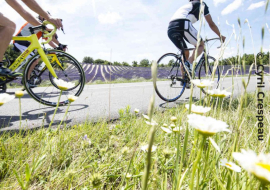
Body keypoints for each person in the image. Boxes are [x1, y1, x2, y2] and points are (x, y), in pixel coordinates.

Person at [168, 0, 226, 88]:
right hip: (183, 23)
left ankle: (185, 80)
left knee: (185, 53)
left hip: (171, 27)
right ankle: (189, 63)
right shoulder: (201, 4)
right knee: (201, 45)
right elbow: (211, 23)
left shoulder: (188, 6)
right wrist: (220, 35)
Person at [0, 0, 63, 78]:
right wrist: (49, 25)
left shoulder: (40, 25)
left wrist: (59, 44)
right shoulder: (37, 23)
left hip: (27, 42)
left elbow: (49, 38)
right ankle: (27, 79)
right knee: (9, 26)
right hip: (20, 41)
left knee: (38, 56)